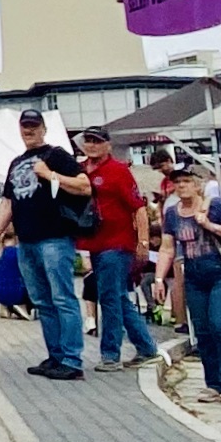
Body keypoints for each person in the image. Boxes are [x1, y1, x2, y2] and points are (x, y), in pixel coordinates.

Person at [0, 107, 91, 381]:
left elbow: (84, 185)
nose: (29, 130)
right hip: (26, 240)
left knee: (62, 297)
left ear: (43, 128)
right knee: (42, 300)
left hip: (54, 237)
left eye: (34, 125)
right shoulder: (16, 162)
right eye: (24, 126)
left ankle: (72, 359)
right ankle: (55, 356)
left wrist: (49, 175)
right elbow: (8, 203)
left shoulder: (57, 155)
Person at [167, 164, 221, 400]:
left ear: (197, 185)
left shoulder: (214, 206)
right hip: (195, 275)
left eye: (186, 181)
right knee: (203, 330)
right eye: (177, 182)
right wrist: (158, 277)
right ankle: (213, 383)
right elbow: (168, 247)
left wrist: (210, 225)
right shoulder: (172, 213)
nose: (181, 186)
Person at [76, 125, 158, 370]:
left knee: (110, 297)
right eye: (88, 140)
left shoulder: (118, 171)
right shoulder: (80, 171)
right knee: (118, 297)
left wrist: (142, 241)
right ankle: (146, 347)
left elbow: (138, 207)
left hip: (118, 242)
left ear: (107, 145)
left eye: (97, 141)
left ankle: (110, 354)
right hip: (95, 242)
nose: (92, 145)